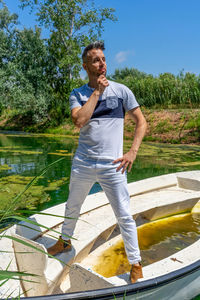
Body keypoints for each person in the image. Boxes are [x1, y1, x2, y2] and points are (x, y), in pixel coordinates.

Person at [47, 41, 147, 284]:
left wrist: (132, 152)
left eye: (103, 59)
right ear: (85, 65)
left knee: (123, 214)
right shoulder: (78, 94)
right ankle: (64, 242)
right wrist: (97, 93)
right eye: (95, 60)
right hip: (83, 162)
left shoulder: (122, 91)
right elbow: (79, 121)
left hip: (113, 165)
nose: (102, 63)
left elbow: (141, 122)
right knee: (72, 204)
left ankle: (136, 263)